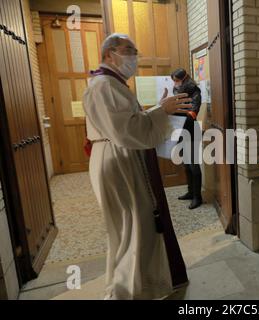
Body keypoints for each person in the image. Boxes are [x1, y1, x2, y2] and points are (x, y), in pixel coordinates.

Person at [83, 33, 192, 300]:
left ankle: (139, 287)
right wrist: (161, 111)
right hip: (118, 158)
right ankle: (125, 293)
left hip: (120, 155)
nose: (134, 55)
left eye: (135, 50)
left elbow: (129, 122)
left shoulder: (112, 83)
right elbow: (127, 129)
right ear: (109, 54)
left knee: (134, 228)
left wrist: (157, 109)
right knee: (133, 229)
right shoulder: (104, 85)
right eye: (128, 50)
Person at [171, 68, 203, 210]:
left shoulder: (195, 91)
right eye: (174, 81)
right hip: (179, 129)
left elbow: (193, 113)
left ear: (184, 79)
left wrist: (176, 113)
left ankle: (197, 197)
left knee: (194, 165)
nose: (175, 83)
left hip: (191, 130)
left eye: (176, 80)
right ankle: (190, 192)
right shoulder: (177, 92)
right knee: (186, 163)